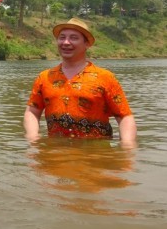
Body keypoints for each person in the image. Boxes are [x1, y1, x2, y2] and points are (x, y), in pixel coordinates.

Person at [23, 18, 137, 147]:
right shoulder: (45, 77)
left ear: (87, 44)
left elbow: (124, 116)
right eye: (62, 37)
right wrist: (32, 138)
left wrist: (127, 146)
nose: (66, 42)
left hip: (95, 156)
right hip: (56, 154)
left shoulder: (105, 77)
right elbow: (32, 111)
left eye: (74, 38)